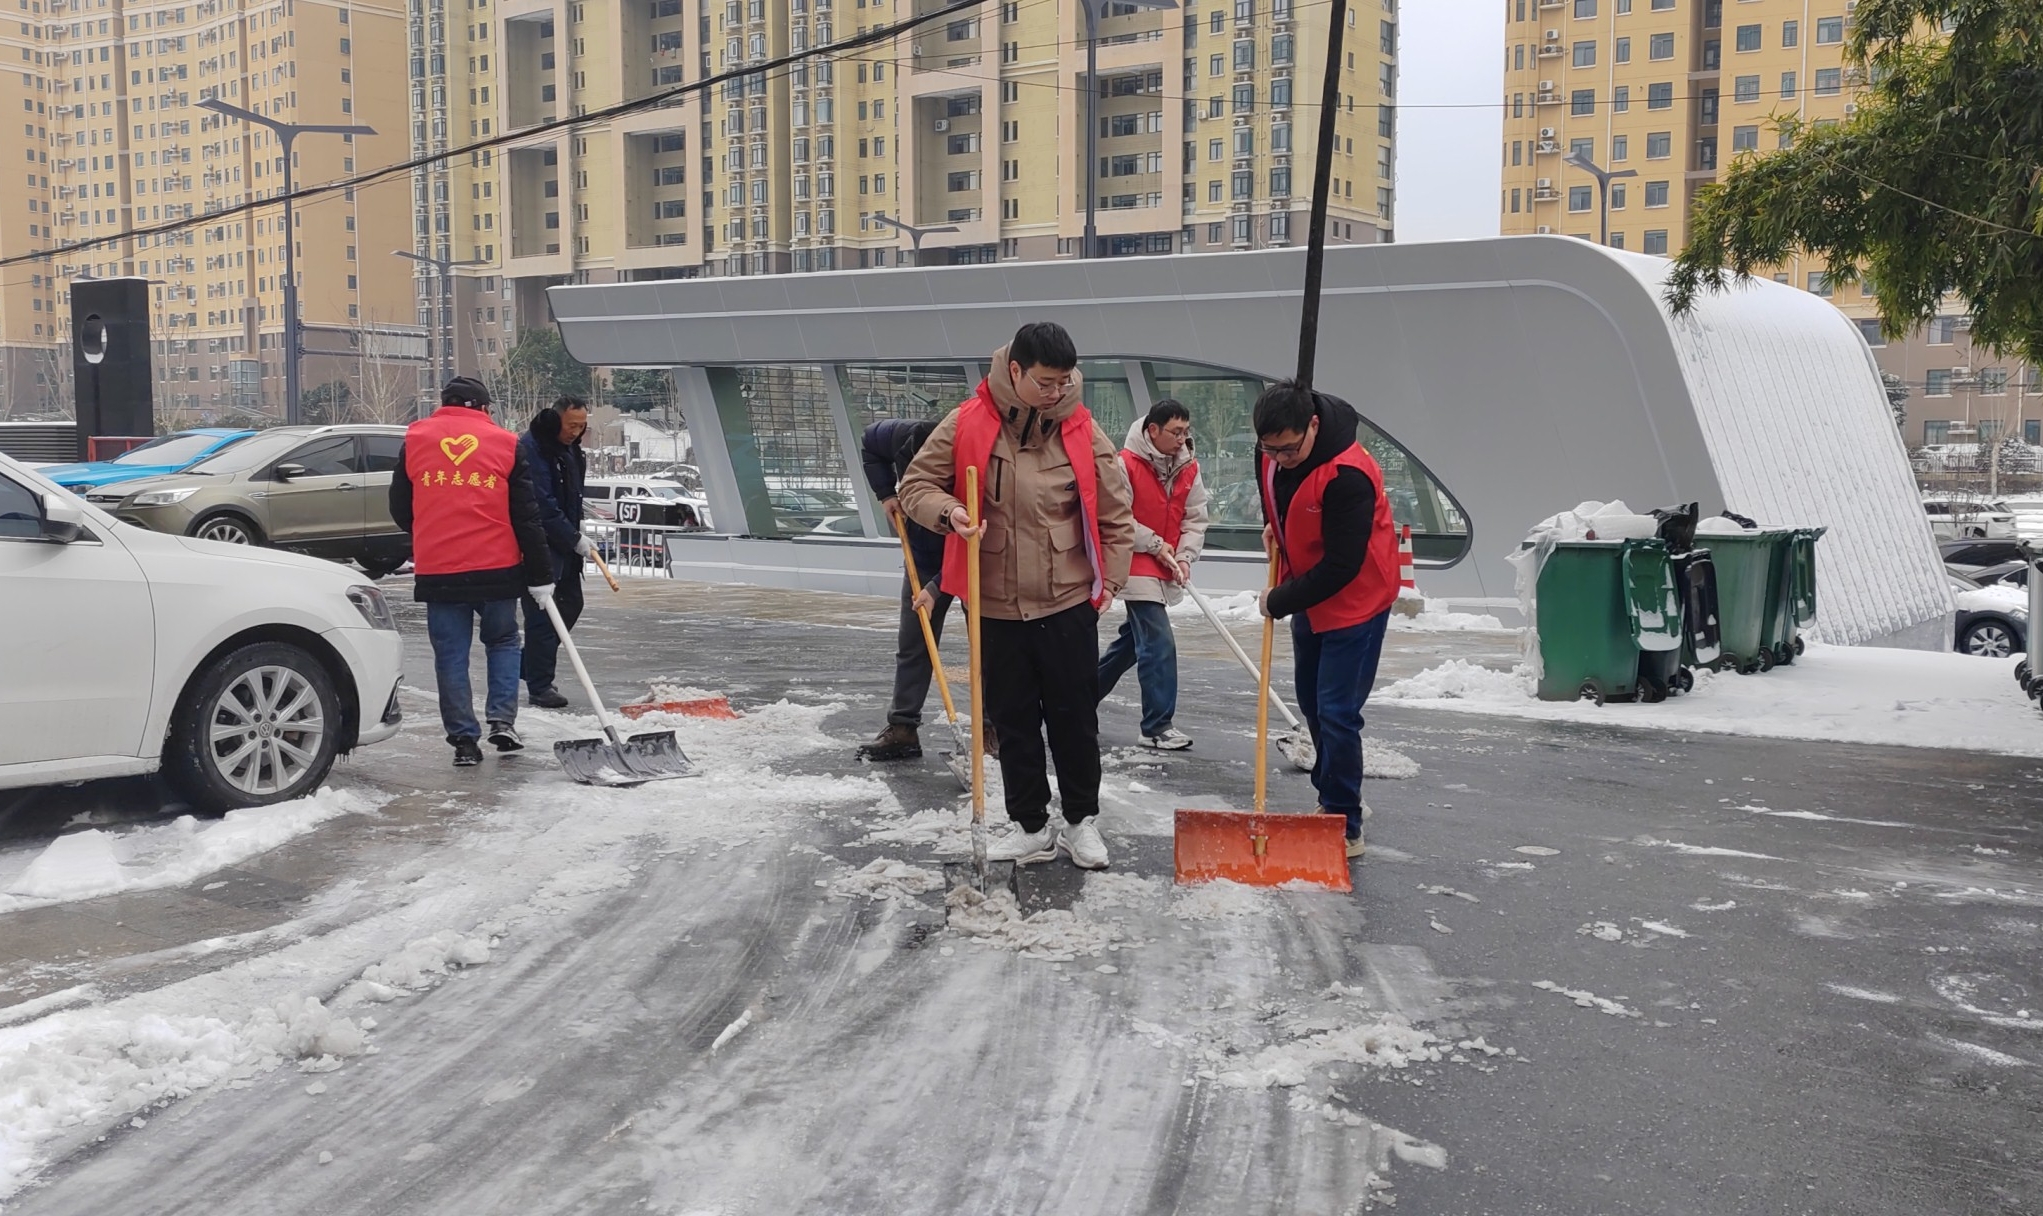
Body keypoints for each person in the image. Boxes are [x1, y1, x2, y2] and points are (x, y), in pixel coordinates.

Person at [900, 321, 1135, 870]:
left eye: (1063, 381)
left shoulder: (1081, 428)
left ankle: (1080, 823)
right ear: (1015, 370)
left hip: (1067, 598)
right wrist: (950, 512)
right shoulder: (967, 421)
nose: (1055, 392)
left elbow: (1114, 508)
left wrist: (1111, 582)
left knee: (1075, 718)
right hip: (994, 603)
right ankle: (1030, 825)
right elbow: (915, 486)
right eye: (1044, 382)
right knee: (1013, 721)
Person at [1253, 380, 1399, 858]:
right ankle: (1337, 787)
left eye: (1289, 450)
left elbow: (1342, 565)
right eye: (1270, 449)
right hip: (1309, 593)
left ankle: (1343, 820)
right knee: (1312, 703)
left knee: (1337, 711)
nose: (1280, 459)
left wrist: (1278, 600)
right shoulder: (1271, 451)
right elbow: (1279, 494)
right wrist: (1276, 526)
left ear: (1313, 426)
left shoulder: (1349, 475)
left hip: (1356, 599)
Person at [389, 376, 556, 767]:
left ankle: (464, 741)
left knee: (451, 656)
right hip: (497, 567)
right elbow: (526, 517)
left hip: (439, 569)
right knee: (503, 642)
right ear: (484, 407)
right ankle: (502, 721)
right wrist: (541, 575)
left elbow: (399, 506)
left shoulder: (415, 439)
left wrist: (430, 530)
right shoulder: (506, 443)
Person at [1097, 399, 1208, 750]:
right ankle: (1156, 726)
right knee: (1158, 642)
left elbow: (1195, 517)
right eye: (1175, 432)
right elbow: (1118, 518)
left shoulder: (1189, 467)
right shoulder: (1125, 464)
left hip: (1166, 560)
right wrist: (1155, 543)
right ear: (1153, 430)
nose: (1182, 439)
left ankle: (1075, 702)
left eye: (1185, 431)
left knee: (1132, 645)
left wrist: (1185, 557)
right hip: (1132, 560)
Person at [855, 417, 957, 762]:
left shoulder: (976, 460)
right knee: (914, 641)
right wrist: (886, 493)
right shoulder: (903, 436)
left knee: (988, 646)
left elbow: (987, 538)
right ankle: (902, 728)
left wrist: (939, 585)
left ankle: (991, 732)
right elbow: (870, 442)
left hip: (974, 557)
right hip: (924, 553)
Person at [519, 396, 593, 709]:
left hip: (565, 546)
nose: (575, 432)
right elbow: (542, 504)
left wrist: (577, 530)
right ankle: (540, 686)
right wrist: (573, 537)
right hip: (538, 545)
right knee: (542, 616)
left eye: (581, 426)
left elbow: (571, 497)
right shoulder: (532, 449)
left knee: (572, 604)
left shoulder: (571, 451)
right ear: (554, 420)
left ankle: (527, 664)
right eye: (570, 425)